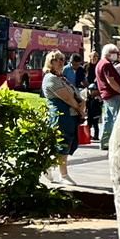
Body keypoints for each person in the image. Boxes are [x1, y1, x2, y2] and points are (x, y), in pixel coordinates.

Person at [41, 49, 85, 184]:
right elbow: (68, 98)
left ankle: (48, 166)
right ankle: (63, 175)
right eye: (57, 60)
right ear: (50, 62)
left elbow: (76, 95)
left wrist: (81, 103)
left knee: (66, 143)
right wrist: (80, 107)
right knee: (62, 144)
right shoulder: (51, 79)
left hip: (70, 116)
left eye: (62, 59)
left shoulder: (61, 78)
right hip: (61, 116)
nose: (61, 62)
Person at [95, 43, 120, 150]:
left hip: (106, 95)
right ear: (109, 54)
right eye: (115, 53)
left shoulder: (100, 63)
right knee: (116, 118)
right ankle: (115, 142)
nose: (117, 55)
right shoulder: (107, 64)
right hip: (113, 95)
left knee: (108, 119)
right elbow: (111, 80)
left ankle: (105, 142)